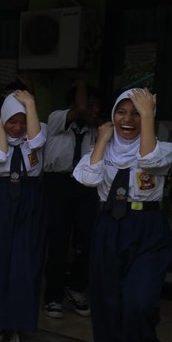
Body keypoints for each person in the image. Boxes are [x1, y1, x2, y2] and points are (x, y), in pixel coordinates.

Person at [72, 88, 172, 342]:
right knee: (109, 302)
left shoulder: (165, 148)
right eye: (122, 111)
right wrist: (103, 139)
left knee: (138, 299)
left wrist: (148, 116)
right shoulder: (102, 148)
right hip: (109, 226)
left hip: (147, 227)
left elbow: (150, 159)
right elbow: (86, 178)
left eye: (136, 113)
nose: (127, 119)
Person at [0, 90, 47, 342]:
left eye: (23, 120)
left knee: (24, 261)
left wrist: (30, 103)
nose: (18, 127)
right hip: (0, 197)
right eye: (12, 121)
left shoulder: (38, 132)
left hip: (30, 199)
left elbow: (38, 139)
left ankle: (16, 330)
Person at [41, 80, 101, 319]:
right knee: (57, 241)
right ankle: (53, 296)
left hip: (86, 187)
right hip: (58, 184)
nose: (94, 110)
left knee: (87, 240)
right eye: (91, 105)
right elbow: (81, 108)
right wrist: (81, 84)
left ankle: (75, 287)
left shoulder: (97, 130)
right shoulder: (57, 119)